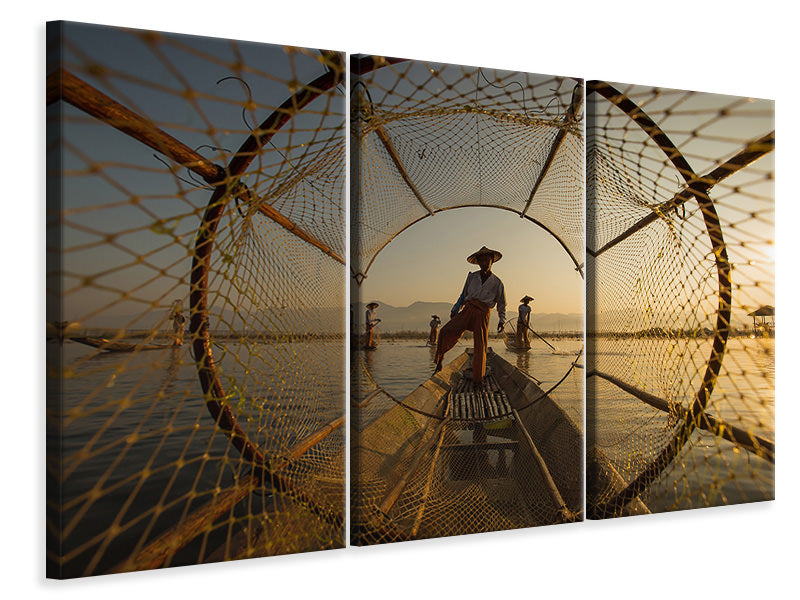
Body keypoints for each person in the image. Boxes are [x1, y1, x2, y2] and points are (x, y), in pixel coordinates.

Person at [434, 246, 506, 387]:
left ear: (492, 261)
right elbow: (463, 295)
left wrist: (502, 320)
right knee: (445, 331)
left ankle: (478, 379)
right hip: (468, 309)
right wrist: (456, 308)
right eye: (481, 260)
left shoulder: (497, 283)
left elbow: (502, 304)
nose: (484, 262)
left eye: (487, 260)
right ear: (478, 262)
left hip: (483, 314)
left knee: (480, 345)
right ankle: (439, 361)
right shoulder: (472, 277)